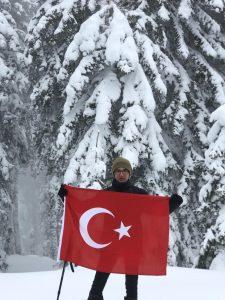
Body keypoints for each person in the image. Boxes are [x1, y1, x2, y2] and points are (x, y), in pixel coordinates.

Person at [58, 157, 183, 300]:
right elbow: (84, 208)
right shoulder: (105, 194)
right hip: (109, 242)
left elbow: (155, 211)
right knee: (100, 278)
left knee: (131, 282)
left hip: (133, 242)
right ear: (114, 173)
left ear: (129, 173)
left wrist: (172, 204)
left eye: (124, 171)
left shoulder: (140, 194)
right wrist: (67, 198)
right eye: (118, 171)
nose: (121, 174)